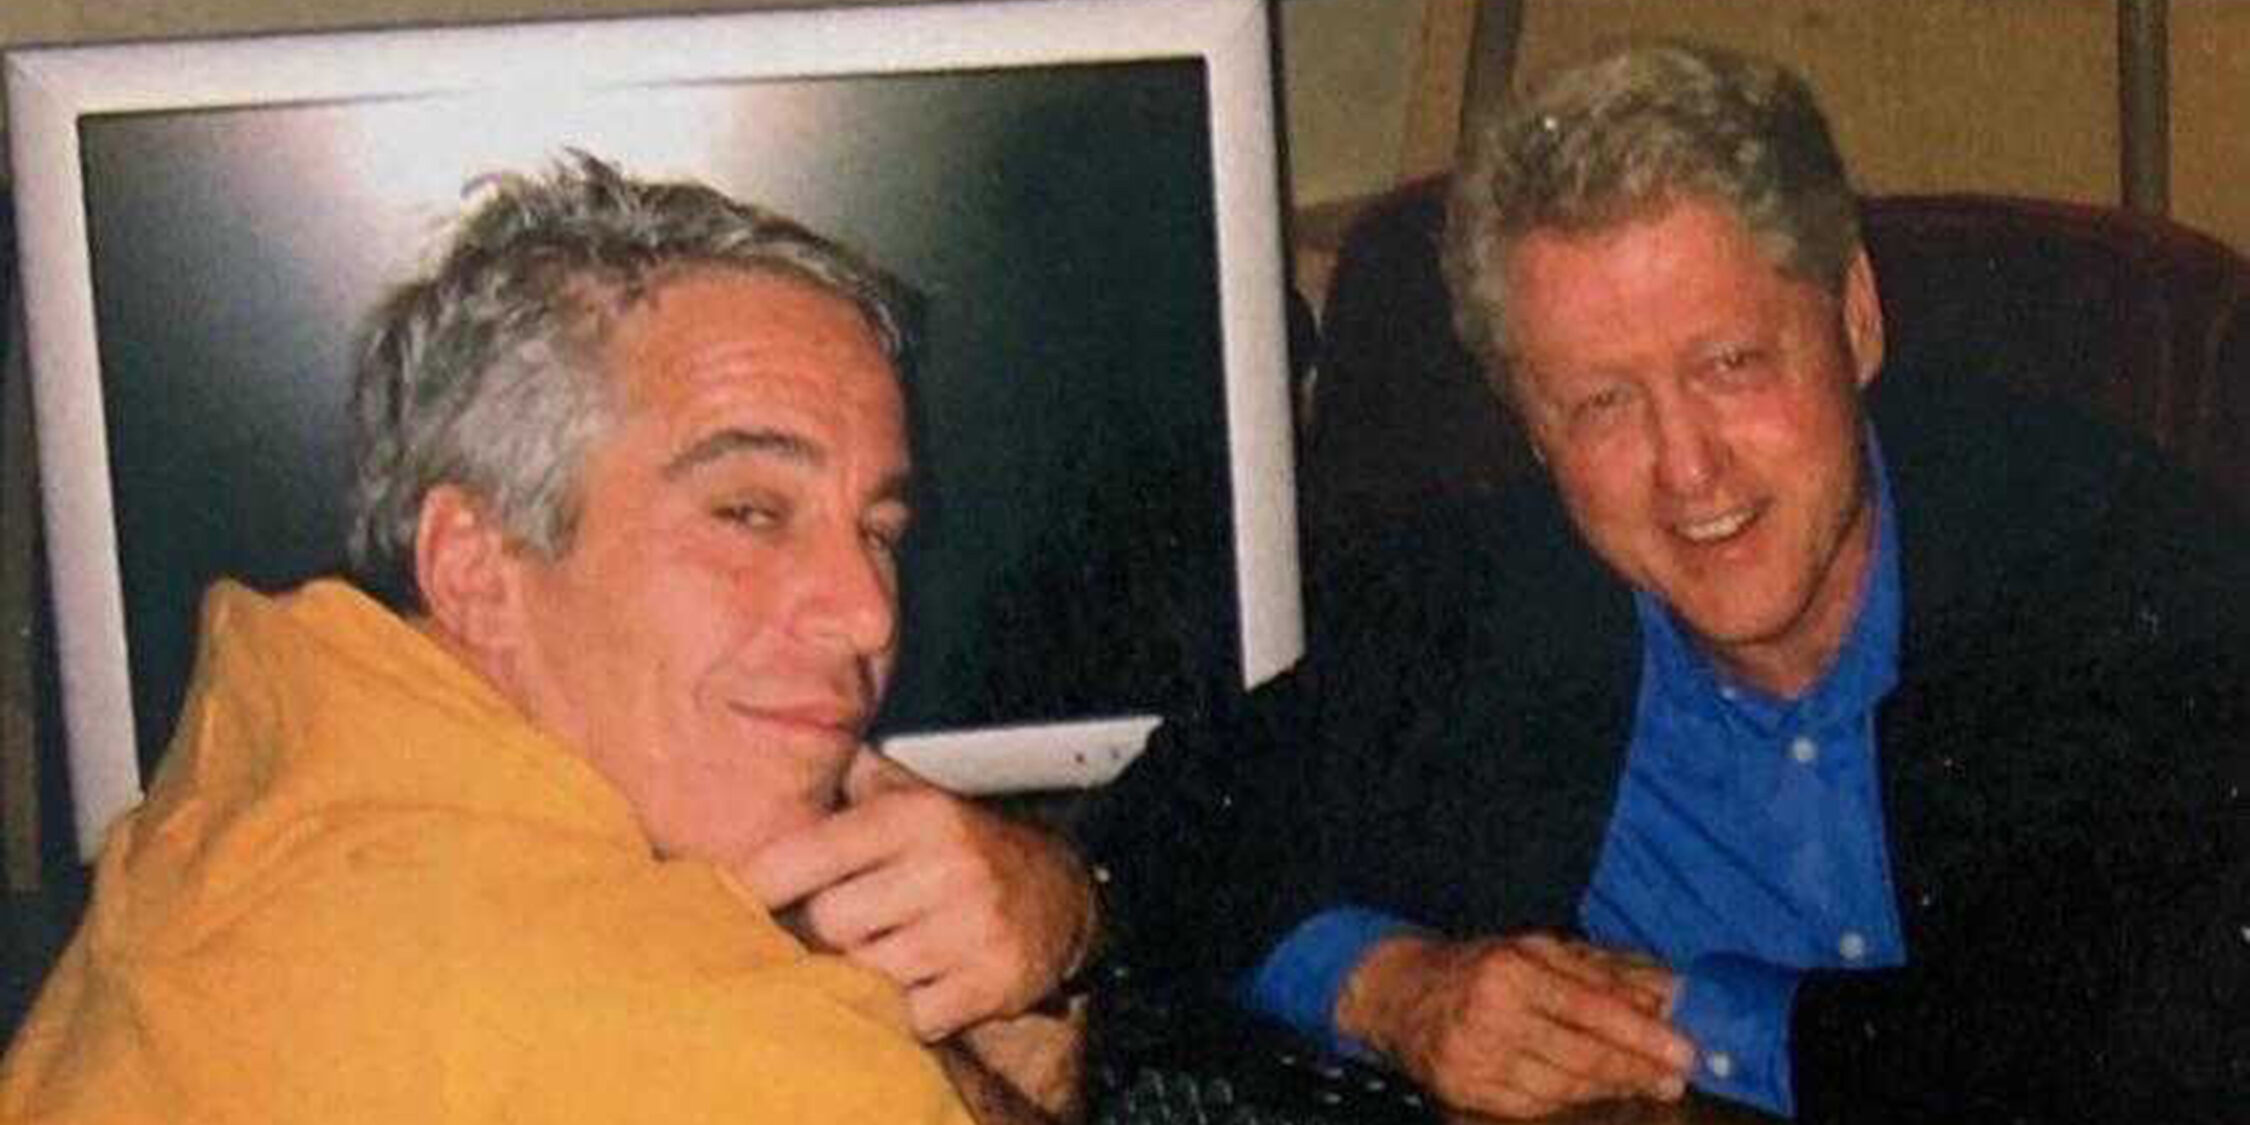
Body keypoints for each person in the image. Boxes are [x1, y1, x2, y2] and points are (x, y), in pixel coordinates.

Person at [1081, 42, 2248, 1122]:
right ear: (1531, 428)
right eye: (1602, 404)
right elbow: (1163, 832)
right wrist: (1394, 990)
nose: (1688, 469)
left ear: (1855, 319)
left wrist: (1688, 1018)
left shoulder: (2122, 567)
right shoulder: (1484, 596)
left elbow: (2170, 1031)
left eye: (1731, 365)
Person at [0, 154, 1093, 1123]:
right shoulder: (691, 1033)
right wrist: (1053, 967)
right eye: (751, 513)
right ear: (474, 568)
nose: (868, 613)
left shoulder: (271, 750)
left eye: (880, 531)